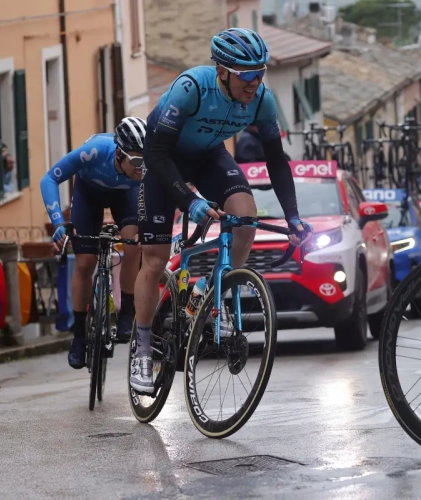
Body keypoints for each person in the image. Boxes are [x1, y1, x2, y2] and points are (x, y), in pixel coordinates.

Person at [131, 28, 313, 393]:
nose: (255, 82)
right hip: (164, 159)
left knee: (245, 215)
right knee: (154, 259)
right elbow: (157, 153)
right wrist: (190, 201)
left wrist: (293, 217)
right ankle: (143, 345)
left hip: (208, 156)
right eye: (247, 74)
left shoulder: (262, 99)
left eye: (260, 73)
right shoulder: (192, 87)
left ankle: (211, 293)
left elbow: (276, 161)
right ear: (223, 72)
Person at [41, 117, 147, 369]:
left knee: (134, 244)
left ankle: (126, 313)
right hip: (89, 194)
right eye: (135, 161)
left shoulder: (145, 166)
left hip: (126, 196)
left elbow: (160, 193)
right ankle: (78, 336)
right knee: (85, 263)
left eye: (145, 160)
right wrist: (58, 223)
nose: (141, 167)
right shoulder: (96, 150)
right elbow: (49, 179)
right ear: (119, 153)